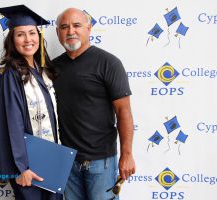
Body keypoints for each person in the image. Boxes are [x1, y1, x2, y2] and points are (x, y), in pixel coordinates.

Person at [53, 8, 136, 200]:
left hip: (101, 162)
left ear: (89, 29)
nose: (70, 31)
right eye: (64, 27)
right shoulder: (52, 67)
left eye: (77, 25)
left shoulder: (109, 63)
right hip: (66, 160)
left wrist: (127, 154)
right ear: (57, 33)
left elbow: (124, 111)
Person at [0, 5, 61, 200]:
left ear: (39, 38)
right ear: (12, 41)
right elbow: (13, 124)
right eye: (20, 35)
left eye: (32, 33)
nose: (27, 39)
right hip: (29, 166)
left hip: (51, 159)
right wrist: (22, 167)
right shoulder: (11, 75)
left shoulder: (43, 73)